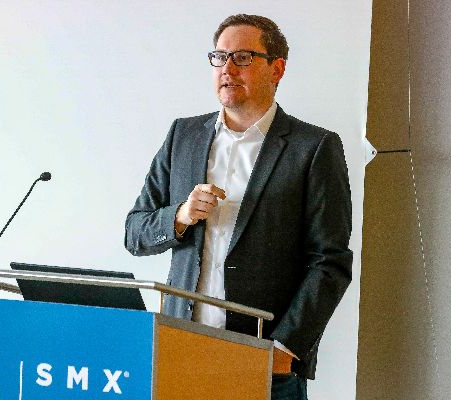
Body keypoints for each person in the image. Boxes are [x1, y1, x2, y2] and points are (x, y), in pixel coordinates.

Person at [125, 14, 352, 400]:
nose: (227, 69)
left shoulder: (313, 148)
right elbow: (135, 233)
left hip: (261, 364)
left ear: (277, 69)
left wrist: (285, 348)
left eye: (243, 58)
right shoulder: (183, 135)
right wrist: (179, 216)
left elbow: (329, 262)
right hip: (180, 351)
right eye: (219, 57)